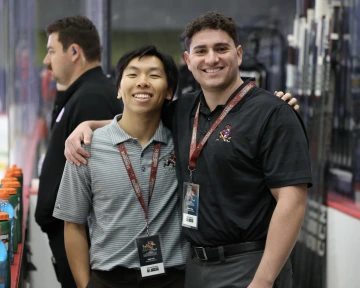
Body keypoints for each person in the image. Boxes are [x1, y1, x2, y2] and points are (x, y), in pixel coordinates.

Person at [64, 12, 309, 288]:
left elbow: (292, 201)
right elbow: (140, 116)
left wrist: (263, 281)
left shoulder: (273, 114)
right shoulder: (184, 111)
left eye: (221, 48)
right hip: (195, 268)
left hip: (250, 265)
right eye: (201, 51)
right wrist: (88, 126)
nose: (211, 59)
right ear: (188, 60)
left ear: (238, 54)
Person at [53, 45, 187, 288]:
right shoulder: (86, 146)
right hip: (110, 278)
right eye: (133, 74)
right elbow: (73, 224)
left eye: (154, 75)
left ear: (169, 92)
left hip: (172, 279)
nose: (142, 82)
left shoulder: (183, 142)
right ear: (118, 89)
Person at [34, 16, 123, 288]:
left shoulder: (91, 98)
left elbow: (93, 188)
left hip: (82, 246)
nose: (46, 61)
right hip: (70, 240)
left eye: (51, 51)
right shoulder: (81, 93)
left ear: (74, 52)